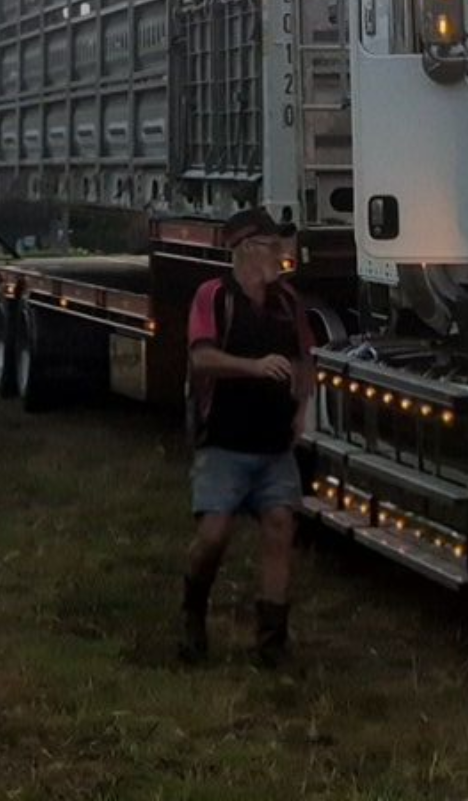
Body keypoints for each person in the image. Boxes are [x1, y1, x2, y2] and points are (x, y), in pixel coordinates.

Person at [179, 205, 313, 667]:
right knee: (213, 534)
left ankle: (272, 643)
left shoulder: (288, 303)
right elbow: (201, 359)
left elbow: (303, 361)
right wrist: (253, 368)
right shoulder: (214, 297)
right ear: (244, 250)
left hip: (274, 444)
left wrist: (302, 407)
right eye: (272, 246)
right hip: (224, 443)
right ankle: (192, 614)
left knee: (280, 527)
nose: (280, 255)